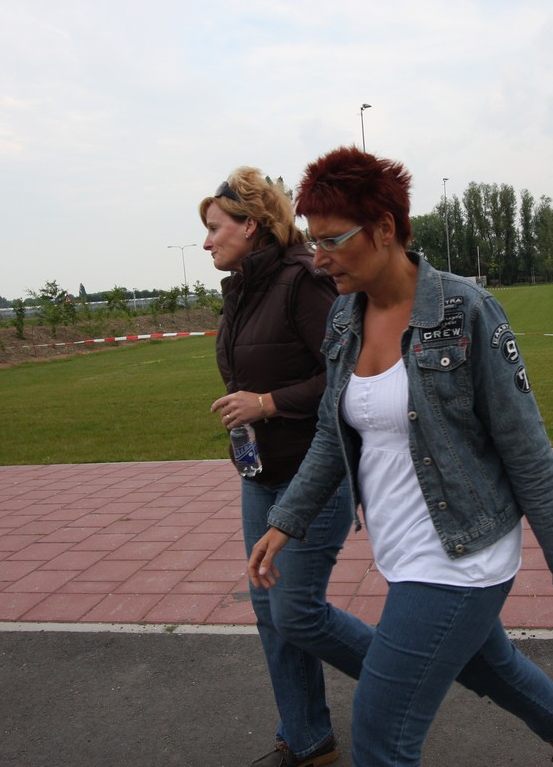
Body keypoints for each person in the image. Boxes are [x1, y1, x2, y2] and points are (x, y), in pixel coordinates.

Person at [248, 147, 553, 767]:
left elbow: (527, 451)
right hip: (402, 547)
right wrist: (285, 520)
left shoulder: (465, 311)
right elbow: (331, 437)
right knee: (491, 665)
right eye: (314, 241)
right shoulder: (343, 318)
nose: (318, 258)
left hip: (463, 553)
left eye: (333, 240)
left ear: (385, 228)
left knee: (379, 733)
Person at [201, 167, 355, 767]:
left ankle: (406, 671)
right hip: (260, 474)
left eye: (215, 228)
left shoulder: (301, 280)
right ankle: (308, 740)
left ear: (250, 225)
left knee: (296, 611)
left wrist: (266, 404)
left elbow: (344, 375)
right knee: (270, 613)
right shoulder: (243, 288)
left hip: (312, 473)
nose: (207, 242)